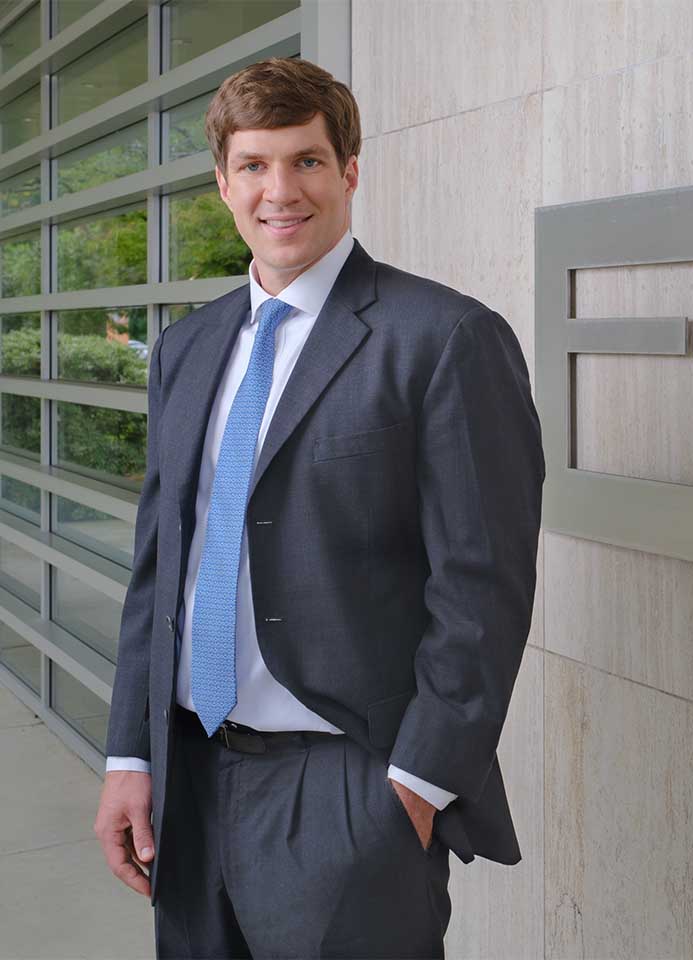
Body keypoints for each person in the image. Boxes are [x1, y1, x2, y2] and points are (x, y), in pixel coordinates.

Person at [92, 56, 544, 959]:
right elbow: (160, 568)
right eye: (255, 165)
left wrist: (411, 789)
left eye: (305, 161)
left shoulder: (444, 340)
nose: (280, 190)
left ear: (349, 171)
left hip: (346, 791)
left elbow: (482, 591)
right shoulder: (188, 349)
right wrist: (130, 758)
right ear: (223, 183)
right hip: (191, 781)